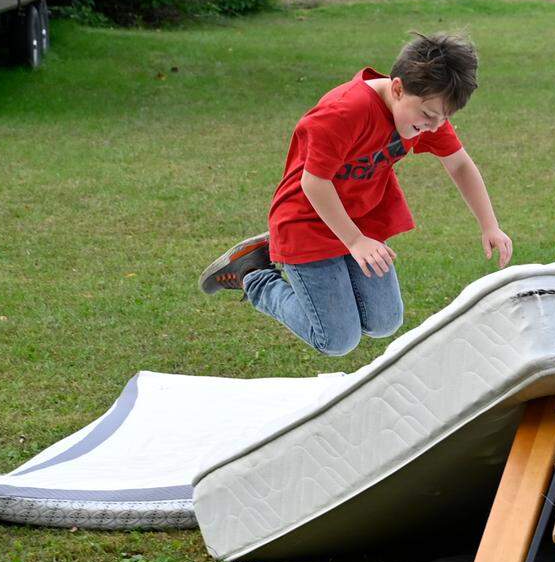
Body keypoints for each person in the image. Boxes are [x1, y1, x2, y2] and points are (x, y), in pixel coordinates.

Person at [198, 32, 512, 356]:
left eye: (443, 119)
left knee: (385, 322)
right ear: (398, 88)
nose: (434, 127)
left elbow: (459, 163)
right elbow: (314, 183)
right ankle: (255, 275)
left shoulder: (424, 109)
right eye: (429, 117)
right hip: (308, 220)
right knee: (337, 340)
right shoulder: (344, 112)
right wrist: (354, 241)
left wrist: (490, 225)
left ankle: (294, 256)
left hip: (361, 220)